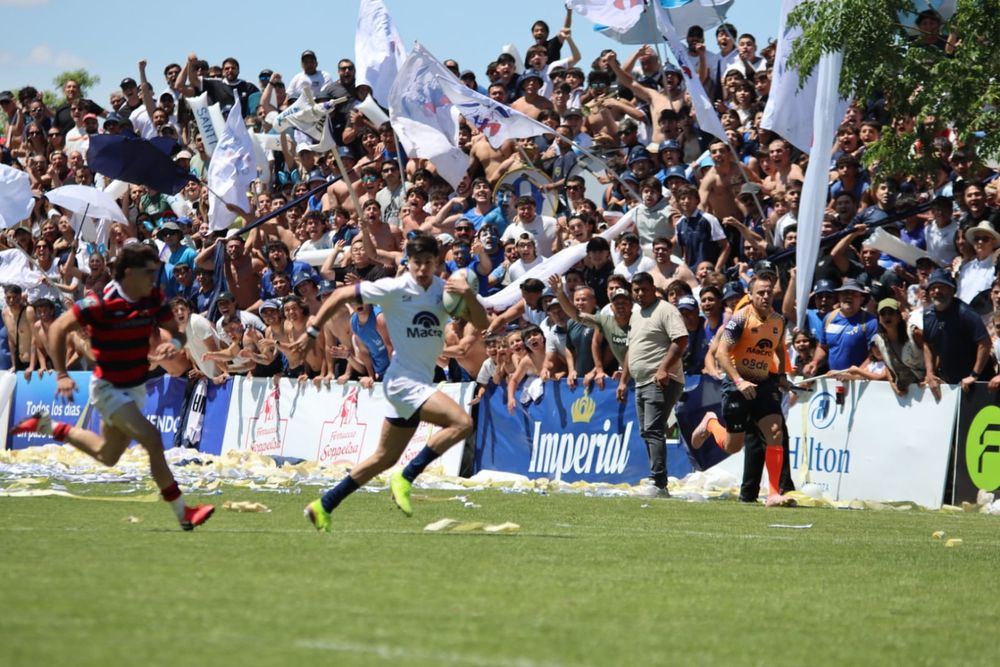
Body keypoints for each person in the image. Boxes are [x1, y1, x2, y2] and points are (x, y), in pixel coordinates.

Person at [9, 243, 214, 530]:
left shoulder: (152, 297)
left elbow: (177, 332)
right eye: (149, 272)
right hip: (108, 388)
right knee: (153, 439)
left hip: (135, 388)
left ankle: (48, 426)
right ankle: (184, 513)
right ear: (129, 273)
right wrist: (61, 374)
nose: (155, 277)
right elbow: (57, 329)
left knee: (108, 455)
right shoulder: (98, 303)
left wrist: (174, 345)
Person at [296, 233, 489, 531]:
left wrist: (468, 295)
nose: (422, 269)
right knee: (462, 423)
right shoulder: (395, 288)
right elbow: (339, 295)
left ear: (437, 262)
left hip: (418, 383)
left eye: (428, 263)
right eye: (416, 263)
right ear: (407, 263)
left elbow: (482, 323)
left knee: (383, 458)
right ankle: (407, 476)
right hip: (402, 382)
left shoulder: (445, 289)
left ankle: (323, 505)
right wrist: (312, 331)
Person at [710, 274, 792, 506]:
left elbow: (778, 349)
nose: (766, 297)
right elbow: (721, 353)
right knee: (732, 446)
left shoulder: (778, 321)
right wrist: (739, 381)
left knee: (775, 432)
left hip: (764, 384)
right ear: (750, 295)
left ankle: (774, 493)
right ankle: (710, 423)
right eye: (760, 293)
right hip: (737, 385)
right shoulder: (739, 319)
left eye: (769, 292)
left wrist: (782, 375)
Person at [615, 272, 688, 494]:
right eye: (636, 290)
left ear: (653, 288)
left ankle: (658, 481)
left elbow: (681, 339)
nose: (639, 294)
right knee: (647, 431)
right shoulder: (636, 314)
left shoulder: (666, 310)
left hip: (662, 380)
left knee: (654, 430)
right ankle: (656, 479)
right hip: (641, 381)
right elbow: (631, 349)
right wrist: (623, 380)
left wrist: (664, 368)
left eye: (644, 289)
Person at [922, 269, 990, 400]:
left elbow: (985, 343)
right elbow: (927, 344)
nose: (936, 291)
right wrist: (930, 373)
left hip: (975, 384)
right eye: (933, 287)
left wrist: (974, 375)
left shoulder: (965, 313)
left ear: (952, 290)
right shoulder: (927, 314)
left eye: (941, 287)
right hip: (949, 385)